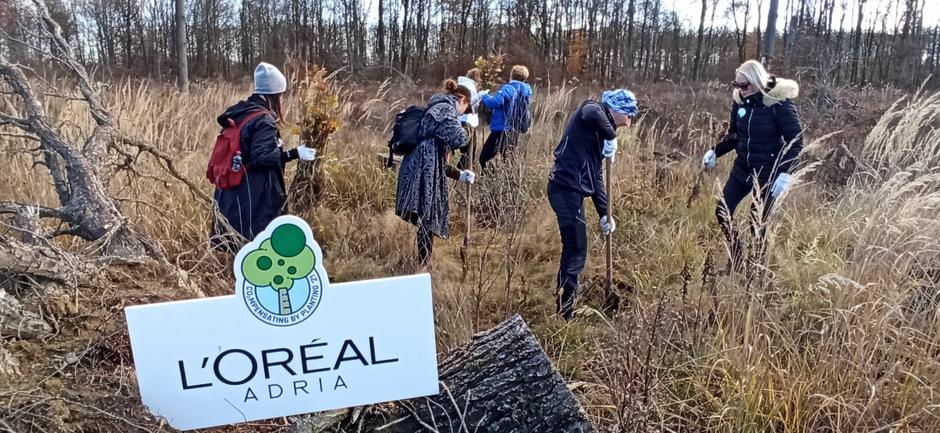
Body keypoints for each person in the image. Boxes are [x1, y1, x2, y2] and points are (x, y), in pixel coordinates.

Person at [701, 60, 803, 265]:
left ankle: (754, 272)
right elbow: (735, 135)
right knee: (722, 211)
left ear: (757, 82)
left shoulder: (778, 103)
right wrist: (715, 151)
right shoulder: (740, 100)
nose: (740, 90)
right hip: (742, 169)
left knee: (756, 223)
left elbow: (797, 141)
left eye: (744, 85)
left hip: (767, 173)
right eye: (736, 85)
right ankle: (736, 259)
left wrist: (785, 173)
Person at [547, 89, 637, 320]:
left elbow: (597, 176)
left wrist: (604, 213)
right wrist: (611, 137)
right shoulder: (593, 110)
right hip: (564, 189)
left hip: (572, 192)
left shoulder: (601, 129)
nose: (629, 122)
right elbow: (589, 111)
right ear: (616, 110)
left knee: (575, 248)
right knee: (576, 249)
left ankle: (564, 304)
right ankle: (565, 311)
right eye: (628, 115)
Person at [211, 62, 317, 247]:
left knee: (237, 244)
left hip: (233, 189)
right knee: (259, 243)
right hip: (254, 193)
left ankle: (232, 273)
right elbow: (263, 157)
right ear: (275, 93)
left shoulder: (241, 111)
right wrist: (293, 153)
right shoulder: (264, 119)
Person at [395, 79, 478, 270]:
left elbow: (442, 163)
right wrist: (467, 126)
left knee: (427, 219)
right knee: (427, 218)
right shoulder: (444, 109)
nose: (464, 113)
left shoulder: (438, 108)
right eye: (466, 109)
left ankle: (423, 264)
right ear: (463, 100)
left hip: (423, 169)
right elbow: (459, 139)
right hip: (423, 172)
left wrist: (461, 175)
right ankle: (423, 266)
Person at [478, 65, 533, 170]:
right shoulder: (526, 91)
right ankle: (508, 184)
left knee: (484, 158)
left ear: (511, 75)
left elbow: (494, 102)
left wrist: (484, 96)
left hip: (501, 130)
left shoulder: (509, 88)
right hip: (515, 130)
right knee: (507, 160)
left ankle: (489, 181)